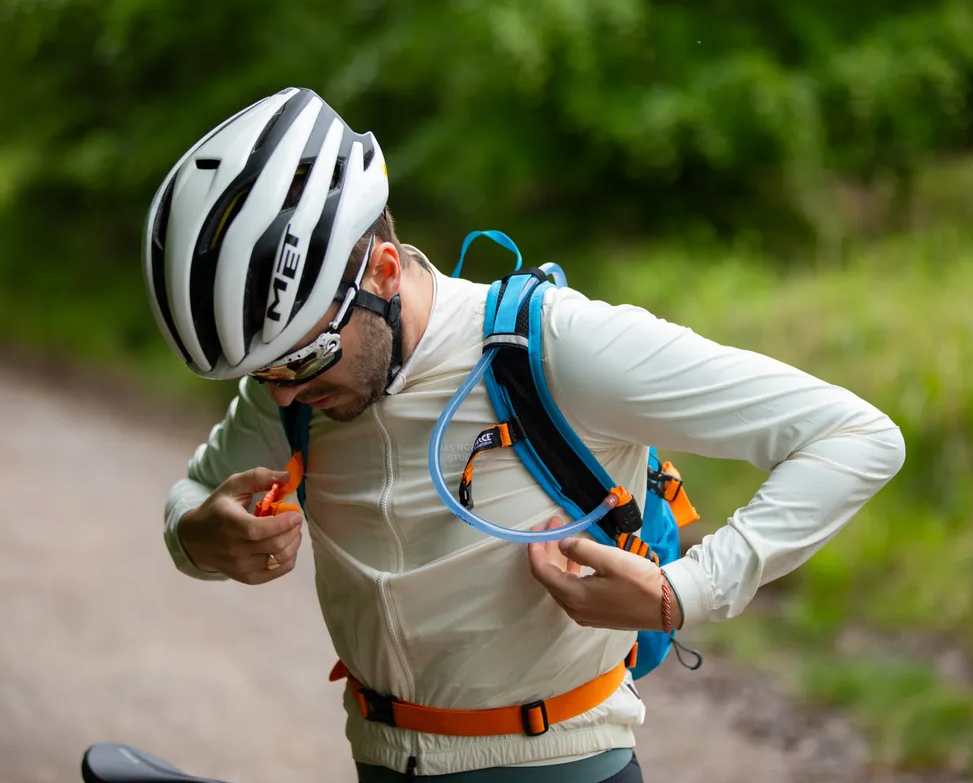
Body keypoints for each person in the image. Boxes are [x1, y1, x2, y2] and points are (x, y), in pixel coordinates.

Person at [144, 87, 905, 782]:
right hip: (379, 760)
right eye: (262, 372)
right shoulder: (293, 391)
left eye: (303, 357)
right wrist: (196, 537)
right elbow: (194, 496)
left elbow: (853, 436)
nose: (283, 392)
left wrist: (687, 591)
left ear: (380, 272)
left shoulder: (557, 347)